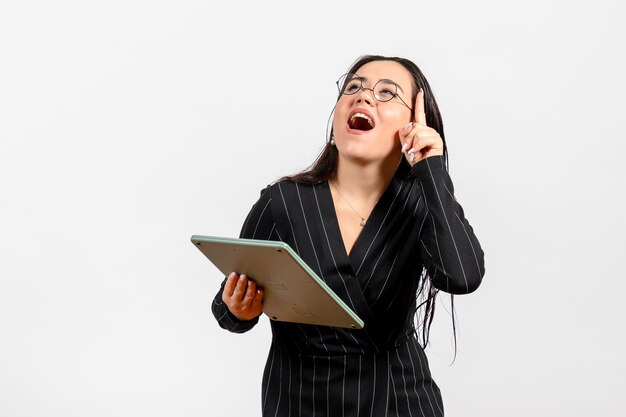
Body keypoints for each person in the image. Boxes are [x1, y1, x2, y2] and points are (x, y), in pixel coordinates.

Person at [211, 54, 485, 417]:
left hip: (398, 400)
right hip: (298, 401)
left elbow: (462, 277)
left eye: (388, 93)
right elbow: (226, 305)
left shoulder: (420, 204)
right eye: (353, 87)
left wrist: (431, 168)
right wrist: (238, 310)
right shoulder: (283, 203)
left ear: (413, 123)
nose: (364, 96)